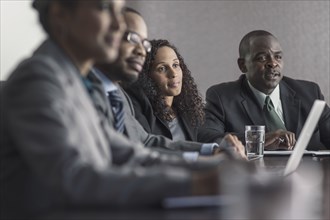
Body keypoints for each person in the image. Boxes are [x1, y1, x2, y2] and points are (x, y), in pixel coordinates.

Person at [1, 1, 244, 219]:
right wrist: (195, 184)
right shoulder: (38, 80)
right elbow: (76, 179)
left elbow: (130, 153)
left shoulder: (81, 83)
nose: (118, 25)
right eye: (106, 9)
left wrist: (215, 165)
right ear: (60, 14)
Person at [94, 7, 246, 158]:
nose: (141, 51)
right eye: (132, 39)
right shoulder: (124, 96)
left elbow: (146, 142)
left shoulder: (118, 94)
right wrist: (200, 171)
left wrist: (213, 150)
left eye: (144, 44)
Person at [198, 30, 330, 151]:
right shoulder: (222, 97)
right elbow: (208, 138)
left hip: (309, 173)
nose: (273, 63)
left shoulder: (310, 93)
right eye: (261, 58)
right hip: (253, 174)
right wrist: (259, 139)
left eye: (278, 57)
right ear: (243, 65)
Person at [124, 39, 204, 143]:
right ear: (147, 76)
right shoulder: (139, 108)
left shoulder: (187, 108)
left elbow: (205, 136)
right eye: (162, 68)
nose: (173, 73)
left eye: (175, 65)